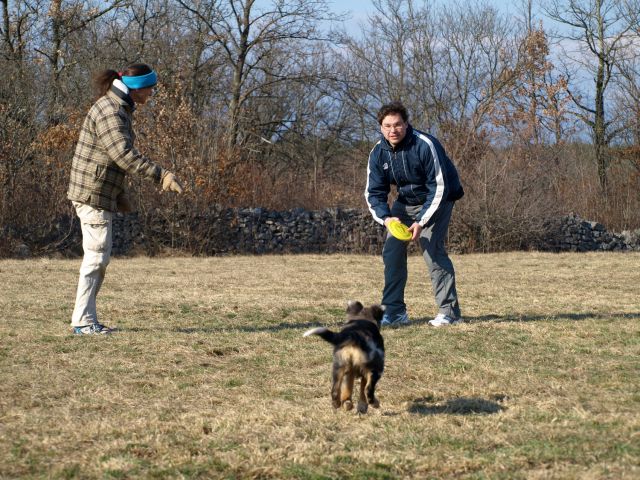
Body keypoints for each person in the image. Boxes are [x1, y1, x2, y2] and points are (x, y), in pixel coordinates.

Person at [67, 63, 183, 335]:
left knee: (98, 258)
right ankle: (83, 322)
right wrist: (162, 175)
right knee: (96, 258)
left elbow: (109, 157)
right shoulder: (111, 111)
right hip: (92, 194)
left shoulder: (117, 106)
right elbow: (123, 155)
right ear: (136, 87)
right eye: (150, 87)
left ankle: (86, 320)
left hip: (99, 192)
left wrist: (119, 194)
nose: (152, 93)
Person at [365, 102, 464, 327]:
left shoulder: (425, 145)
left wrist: (421, 222)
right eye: (387, 125)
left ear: (406, 124)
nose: (393, 130)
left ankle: (450, 313)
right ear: (381, 127)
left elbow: (439, 187)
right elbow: (374, 193)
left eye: (398, 124)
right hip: (405, 202)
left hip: (439, 200)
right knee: (391, 252)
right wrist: (387, 218)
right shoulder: (378, 152)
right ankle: (394, 312)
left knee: (432, 250)